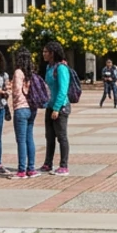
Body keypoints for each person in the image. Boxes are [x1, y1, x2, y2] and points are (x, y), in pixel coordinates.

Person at [10, 48, 40, 179]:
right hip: (32, 109)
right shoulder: (31, 73)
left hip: (21, 108)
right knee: (29, 139)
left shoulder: (18, 72)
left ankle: (21, 170)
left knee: (21, 140)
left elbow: (16, 91)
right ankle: (31, 169)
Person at [43, 41, 71, 175]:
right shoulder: (49, 67)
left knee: (62, 136)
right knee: (49, 136)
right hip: (50, 105)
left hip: (60, 107)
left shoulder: (61, 68)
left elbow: (63, 89)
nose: (43, 54)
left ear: (52, 53)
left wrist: (57, 108)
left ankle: (64, 166)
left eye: (46, 52)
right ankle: (48, 163)